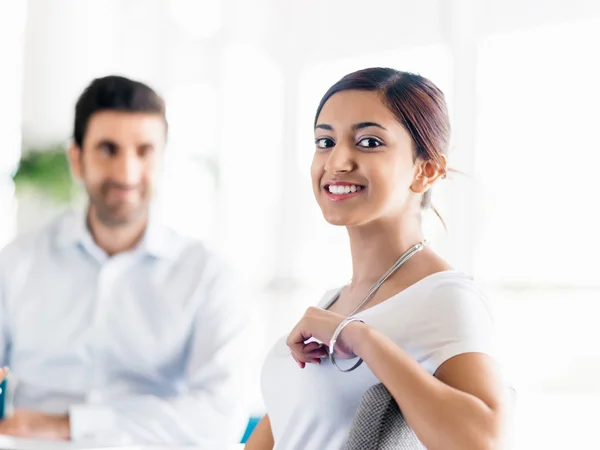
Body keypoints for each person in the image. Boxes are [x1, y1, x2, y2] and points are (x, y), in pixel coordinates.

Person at [246, 68, 510, 449]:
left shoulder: (444, 297)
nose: (337, 161)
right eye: (325, 141)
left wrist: (361, 337)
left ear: (427, 170)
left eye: (369, 142)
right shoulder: (335, 301)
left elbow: (486, 441)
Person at [0, 75, 251, 446]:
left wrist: (70, 424)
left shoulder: (209, 277)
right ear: (77, 159)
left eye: (144, 150)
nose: (126, 172)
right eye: (108, 149)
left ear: (161, 158)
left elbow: (219, 417)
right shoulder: (18, 261)